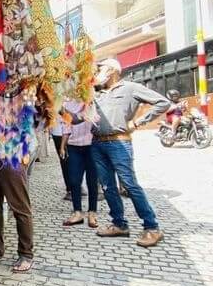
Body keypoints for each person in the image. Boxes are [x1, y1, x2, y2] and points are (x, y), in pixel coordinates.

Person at [91, 58, 170, 247]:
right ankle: (119, 224)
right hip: (97, 144)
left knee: (129, 184)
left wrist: (137, 122)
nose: (96, 73)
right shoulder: (97, 93)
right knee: (108, 186)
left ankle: (152, 227)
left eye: (99, 69)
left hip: (119, 143)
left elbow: (162, 103)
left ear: (112, 70)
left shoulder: (130, 88)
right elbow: (81, 116)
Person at [0, 91, 35, 273]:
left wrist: (24, 153)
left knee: (20, 207)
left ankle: (26, 253)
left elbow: (27, 128)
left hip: (12, 157)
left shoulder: (22, 96)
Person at [61, 99, 98, 228]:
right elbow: (66, 126)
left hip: (92, 146)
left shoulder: (92, 102)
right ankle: (77, 212)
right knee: (74, 181)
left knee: (92, 181)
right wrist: (62, 146)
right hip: (73, 147)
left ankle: (92, 213)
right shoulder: (67, 105)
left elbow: (96, 120)